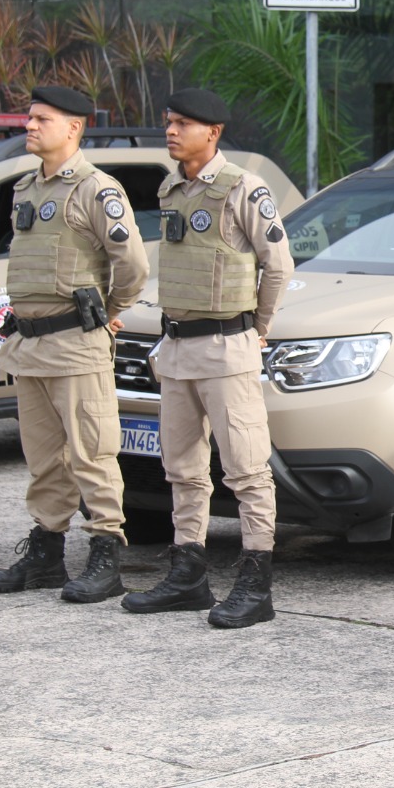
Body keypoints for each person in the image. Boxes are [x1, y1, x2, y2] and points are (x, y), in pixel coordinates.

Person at [120, 89, 294, 628]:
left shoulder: (244, 188)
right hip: (177, 350)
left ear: (213, 133)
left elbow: (278, 265)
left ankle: (256, 585)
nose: (170, 131)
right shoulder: (171, 187)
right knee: (183, 469)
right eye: (168, 122)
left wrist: (257, 329)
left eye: (182, 124)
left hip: (226, 348)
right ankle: (188, 575)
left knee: (246, 470)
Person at [0, 85, 150, 603]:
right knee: (43, 459)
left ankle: (105, 553)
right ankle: (46, 554)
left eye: (41, 119)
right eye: (29, 118)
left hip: (76, 344)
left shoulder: (96, 189)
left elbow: (133, 266)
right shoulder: (26, 189)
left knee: (91, 453)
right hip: (30, 346)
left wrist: (108, 311)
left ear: (73, 128)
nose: (29, 126)